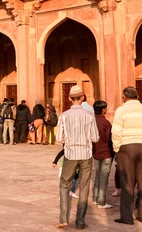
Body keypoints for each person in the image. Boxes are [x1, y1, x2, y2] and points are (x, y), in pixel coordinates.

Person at [112, 86, 142, 225]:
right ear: (137, 96)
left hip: (126, 147)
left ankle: (127, 217)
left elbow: (116, 131)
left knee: (127, 182)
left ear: (124, 97)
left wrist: (117, 148)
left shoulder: (121, 110)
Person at [56, 85, 99, 230]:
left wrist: (69, 140)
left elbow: (59, 138)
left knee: (64, 185)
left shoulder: (64, 115)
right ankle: (80, 221)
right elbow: (95, 137)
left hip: (70, 154)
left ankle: (63, 219)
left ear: (69, 99)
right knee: (84, 186)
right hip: (86, 154)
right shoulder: (89, 115)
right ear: (82, 98)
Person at [92, 100, 113, 209]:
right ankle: (101, 201)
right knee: (103, 177)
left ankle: (95, 197)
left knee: (97, 175)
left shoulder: (91, 121)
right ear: (103, 109)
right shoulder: (106, 123)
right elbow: (109, 138)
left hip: (95, 151)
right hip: (105, 152)